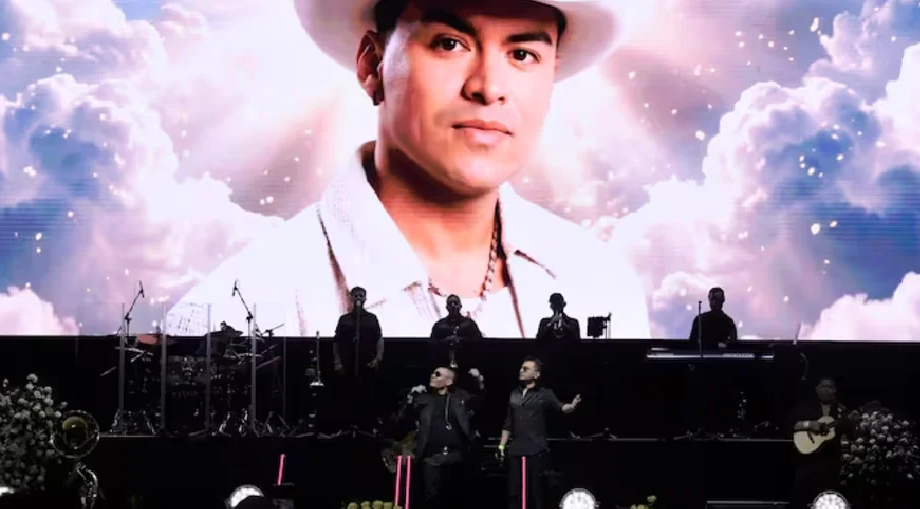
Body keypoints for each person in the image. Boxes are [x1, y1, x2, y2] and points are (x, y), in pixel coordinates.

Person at [167, 0, 652, 340]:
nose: (488, 87)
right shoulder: (237, 310)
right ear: (372, 65)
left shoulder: (602, 285)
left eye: (522, 54)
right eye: (449, 43)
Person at [396, 366, 486, 509]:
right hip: (432, 458)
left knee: (455, 498)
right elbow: (401, 420)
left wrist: (479, 381)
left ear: (448, 382)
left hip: (455, 457)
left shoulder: (459, 399)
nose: (433, 375)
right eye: (432, 373)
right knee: (432, 499)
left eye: (437, 374)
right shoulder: (422, 400)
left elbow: (481, 402)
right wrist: (409, 399)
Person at [498, 357, 579, 509]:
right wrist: (502, 445)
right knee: (514, 493)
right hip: (516, 450)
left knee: (535, 492)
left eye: (526, 368)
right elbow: (508, 423)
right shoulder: (514, 394)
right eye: (521, 368)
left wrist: (572, 406)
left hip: (535, 449)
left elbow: (561, 407)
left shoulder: (544, 393)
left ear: (536, 375)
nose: (521, 371)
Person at [788, 377, 848, 508]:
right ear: (817, 390)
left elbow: (847, 432)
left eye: (830, 387)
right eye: (823, 387)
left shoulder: (842, 410)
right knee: (801, 493)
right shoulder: (805, 406)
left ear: (835, 391)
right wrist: (810, 424)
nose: (826, 390)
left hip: (831, 459)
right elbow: (792, 424)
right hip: (807, 459)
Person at [331, 287, 384, 430]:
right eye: (356, 296)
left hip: (367, 364)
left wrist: (378, 358)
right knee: (346, 395)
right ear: (351, 298)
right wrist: (337, 361)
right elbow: (336, 342)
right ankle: (347, 426)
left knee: (367, 395)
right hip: (347, 365)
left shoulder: (372, 319)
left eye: (361, 296)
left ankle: (366, 426)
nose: (358, 298)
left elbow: (379, 338)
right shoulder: (344, 319)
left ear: (365, 298)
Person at [428, 295, 483, 369]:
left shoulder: (469, 324)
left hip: (466, 364)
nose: (453, 306)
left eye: (455, 303)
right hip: (444, 365)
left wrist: (461, 340)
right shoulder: (439, 325)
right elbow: (432, 343)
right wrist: (446, 341)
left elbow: (479, 341)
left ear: (460, 306)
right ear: (446, 307)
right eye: (450, 304)